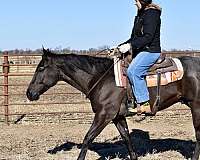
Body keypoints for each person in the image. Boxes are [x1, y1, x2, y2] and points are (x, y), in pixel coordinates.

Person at [118, 0, 162, 114]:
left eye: (136, 0)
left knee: (133, 71)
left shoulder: (152, 14)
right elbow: (134, 37)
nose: (134, 3)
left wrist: (131, 45)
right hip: (141, 51)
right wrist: (121, 46)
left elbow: (148, 37)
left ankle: (145, 103)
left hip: (150, 51)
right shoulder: (140, 15)